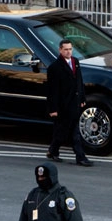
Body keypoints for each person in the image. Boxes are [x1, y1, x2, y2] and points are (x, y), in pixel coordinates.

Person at [46, 39, 93, 167]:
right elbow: (52, 90)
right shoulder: (54, 68)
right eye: (66, 49)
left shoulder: (75, 62)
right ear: (60, 50)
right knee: (73, 132)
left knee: (64, 130)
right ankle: (80, 157)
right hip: (63, 105)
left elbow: (79, 81)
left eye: (70, 49)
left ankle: (53, 150)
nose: (68, 52)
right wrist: (53, 109)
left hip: (75, 103)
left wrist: (82, 99)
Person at [18, 162, 84, 221]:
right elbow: (23, 220)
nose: (40, 179)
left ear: (52, 177)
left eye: (44, 177)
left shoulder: (63, 196)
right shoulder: (32, 195)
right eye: (39, 177)